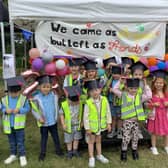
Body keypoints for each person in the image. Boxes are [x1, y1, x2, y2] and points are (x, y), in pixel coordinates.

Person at [113, 78, 152, 161]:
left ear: (138, 88)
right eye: (131, 88)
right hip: (127, 121)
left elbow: (149, 96)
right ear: (127, 88)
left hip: (136, 122)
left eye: (135, 88)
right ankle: (124, 152)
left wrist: (145, 85)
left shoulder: (140, 97)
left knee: (135, 137)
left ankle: (134, 151)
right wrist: (120, 81)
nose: (133, 90)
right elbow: (115, 90)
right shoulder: (123, 95)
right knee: (126, 138)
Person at [30, 75, 63, 161]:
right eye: (44, 87)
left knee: (56, 137)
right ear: (39, 87)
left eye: (48, 87)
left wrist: (58, 116)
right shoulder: (36, 98)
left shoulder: (54, 96)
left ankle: (58, 150)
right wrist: (39, 118)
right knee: (44, 138)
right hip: (43, 122)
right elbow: (34, 110)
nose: (46, 89)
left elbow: (57, 107)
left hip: (53, 122)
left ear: (51, 87)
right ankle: (42, 153)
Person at [1, 76, 30, 167]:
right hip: (9, 125)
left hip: (19, 125)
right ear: (8, 91)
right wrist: (5, 111)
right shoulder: (4, 99)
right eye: (12, 93)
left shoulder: (23, 99)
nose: (14, 95)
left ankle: (22, 155)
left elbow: (27, 108)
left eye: (16, 92)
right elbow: (1, 107)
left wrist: (20, 110)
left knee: (20, 141)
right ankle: (13, 155)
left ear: (20, 90)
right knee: (12, 141)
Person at [83, 80, 111, 167]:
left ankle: (99, 155)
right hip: (92, 127)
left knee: (99, 141)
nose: (94, 92)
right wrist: (87, 128)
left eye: (96, 90)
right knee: (91, 142)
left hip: (101, 126)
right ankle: (91, 157)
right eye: (91, 91)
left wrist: (108, 123)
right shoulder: (88, 103)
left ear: (100, 90)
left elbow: (108, 112)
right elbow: (85, 116)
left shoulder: (104, 100)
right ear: (89, 93)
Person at [147, 70, 168, 155]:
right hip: (155, 116)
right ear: (154, 83)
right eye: (157, 82)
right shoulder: (151, 93)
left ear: (164, 84)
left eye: (161, 83)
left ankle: (166, 146)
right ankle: (153, 147)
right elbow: (147, 105)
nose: (158, 84)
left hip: (164, 116)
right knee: (154, 132)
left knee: (166, 131)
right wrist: (153, 104)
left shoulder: (166, 93)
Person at [59, 85, 83, 159]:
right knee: (69, 139)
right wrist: (63, 124)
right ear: (68, 99)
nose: (74, 104)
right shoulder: (64, 105)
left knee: (76, 138)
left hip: (77, 125)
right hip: (68, 126)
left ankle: (75, 150)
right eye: (72, 102)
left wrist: (82, 122)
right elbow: (61, 115)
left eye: (76, 102)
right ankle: (69, 151)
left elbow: (82, 113)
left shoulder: (80, 104)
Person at [129, 61, 149, 139]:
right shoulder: (130, 82)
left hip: (140, 103)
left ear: (143, 75)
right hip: (131, 104)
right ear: (132, 75)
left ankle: (139, 131)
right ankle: (131, 131)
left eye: (140, 74)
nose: (138, 76)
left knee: (139, 118)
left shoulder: (143, 83)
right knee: (131, 118)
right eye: (136, 74)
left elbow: (146, 93)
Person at [107, 66, 123, 139]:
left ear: (120, 74)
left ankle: (119, 130)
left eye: (117, 73)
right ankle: (113, 130)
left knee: (120, 117)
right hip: (111, 101)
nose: (115, 75)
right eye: (114, 73)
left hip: (120, 103)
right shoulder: (110, 81)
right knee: (113, 117)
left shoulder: (122, 81)